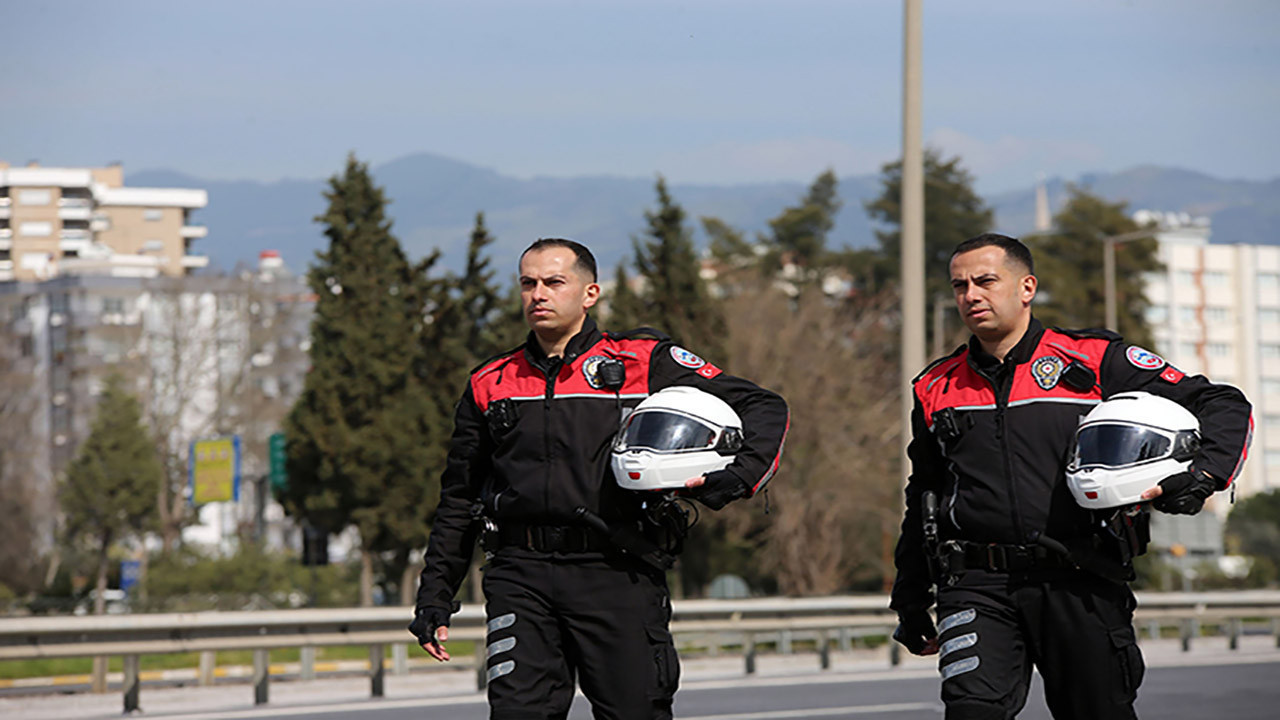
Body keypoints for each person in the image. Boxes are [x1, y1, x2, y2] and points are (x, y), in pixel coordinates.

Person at [410, 238, 789, 720]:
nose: (538, 295)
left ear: (590, 293)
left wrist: (730, 482)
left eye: (553, 282)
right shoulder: (491, 380)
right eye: (528, 283)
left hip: (617, 568)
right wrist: (435, 596)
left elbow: (764, 406)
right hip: (520, 574)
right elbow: (459, 497)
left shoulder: (643, 360)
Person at [890, 233, 1252, 720]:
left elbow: (1223, 403)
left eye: (985, 281)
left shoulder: (1093, 359)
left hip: (1080, 576)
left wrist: (1205, 475)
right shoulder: (935, 386)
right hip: (976, 585)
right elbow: (924, 494)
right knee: (971, 712)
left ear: (1026, 287)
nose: (970, 295)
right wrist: (910, 595)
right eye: (960, 285)